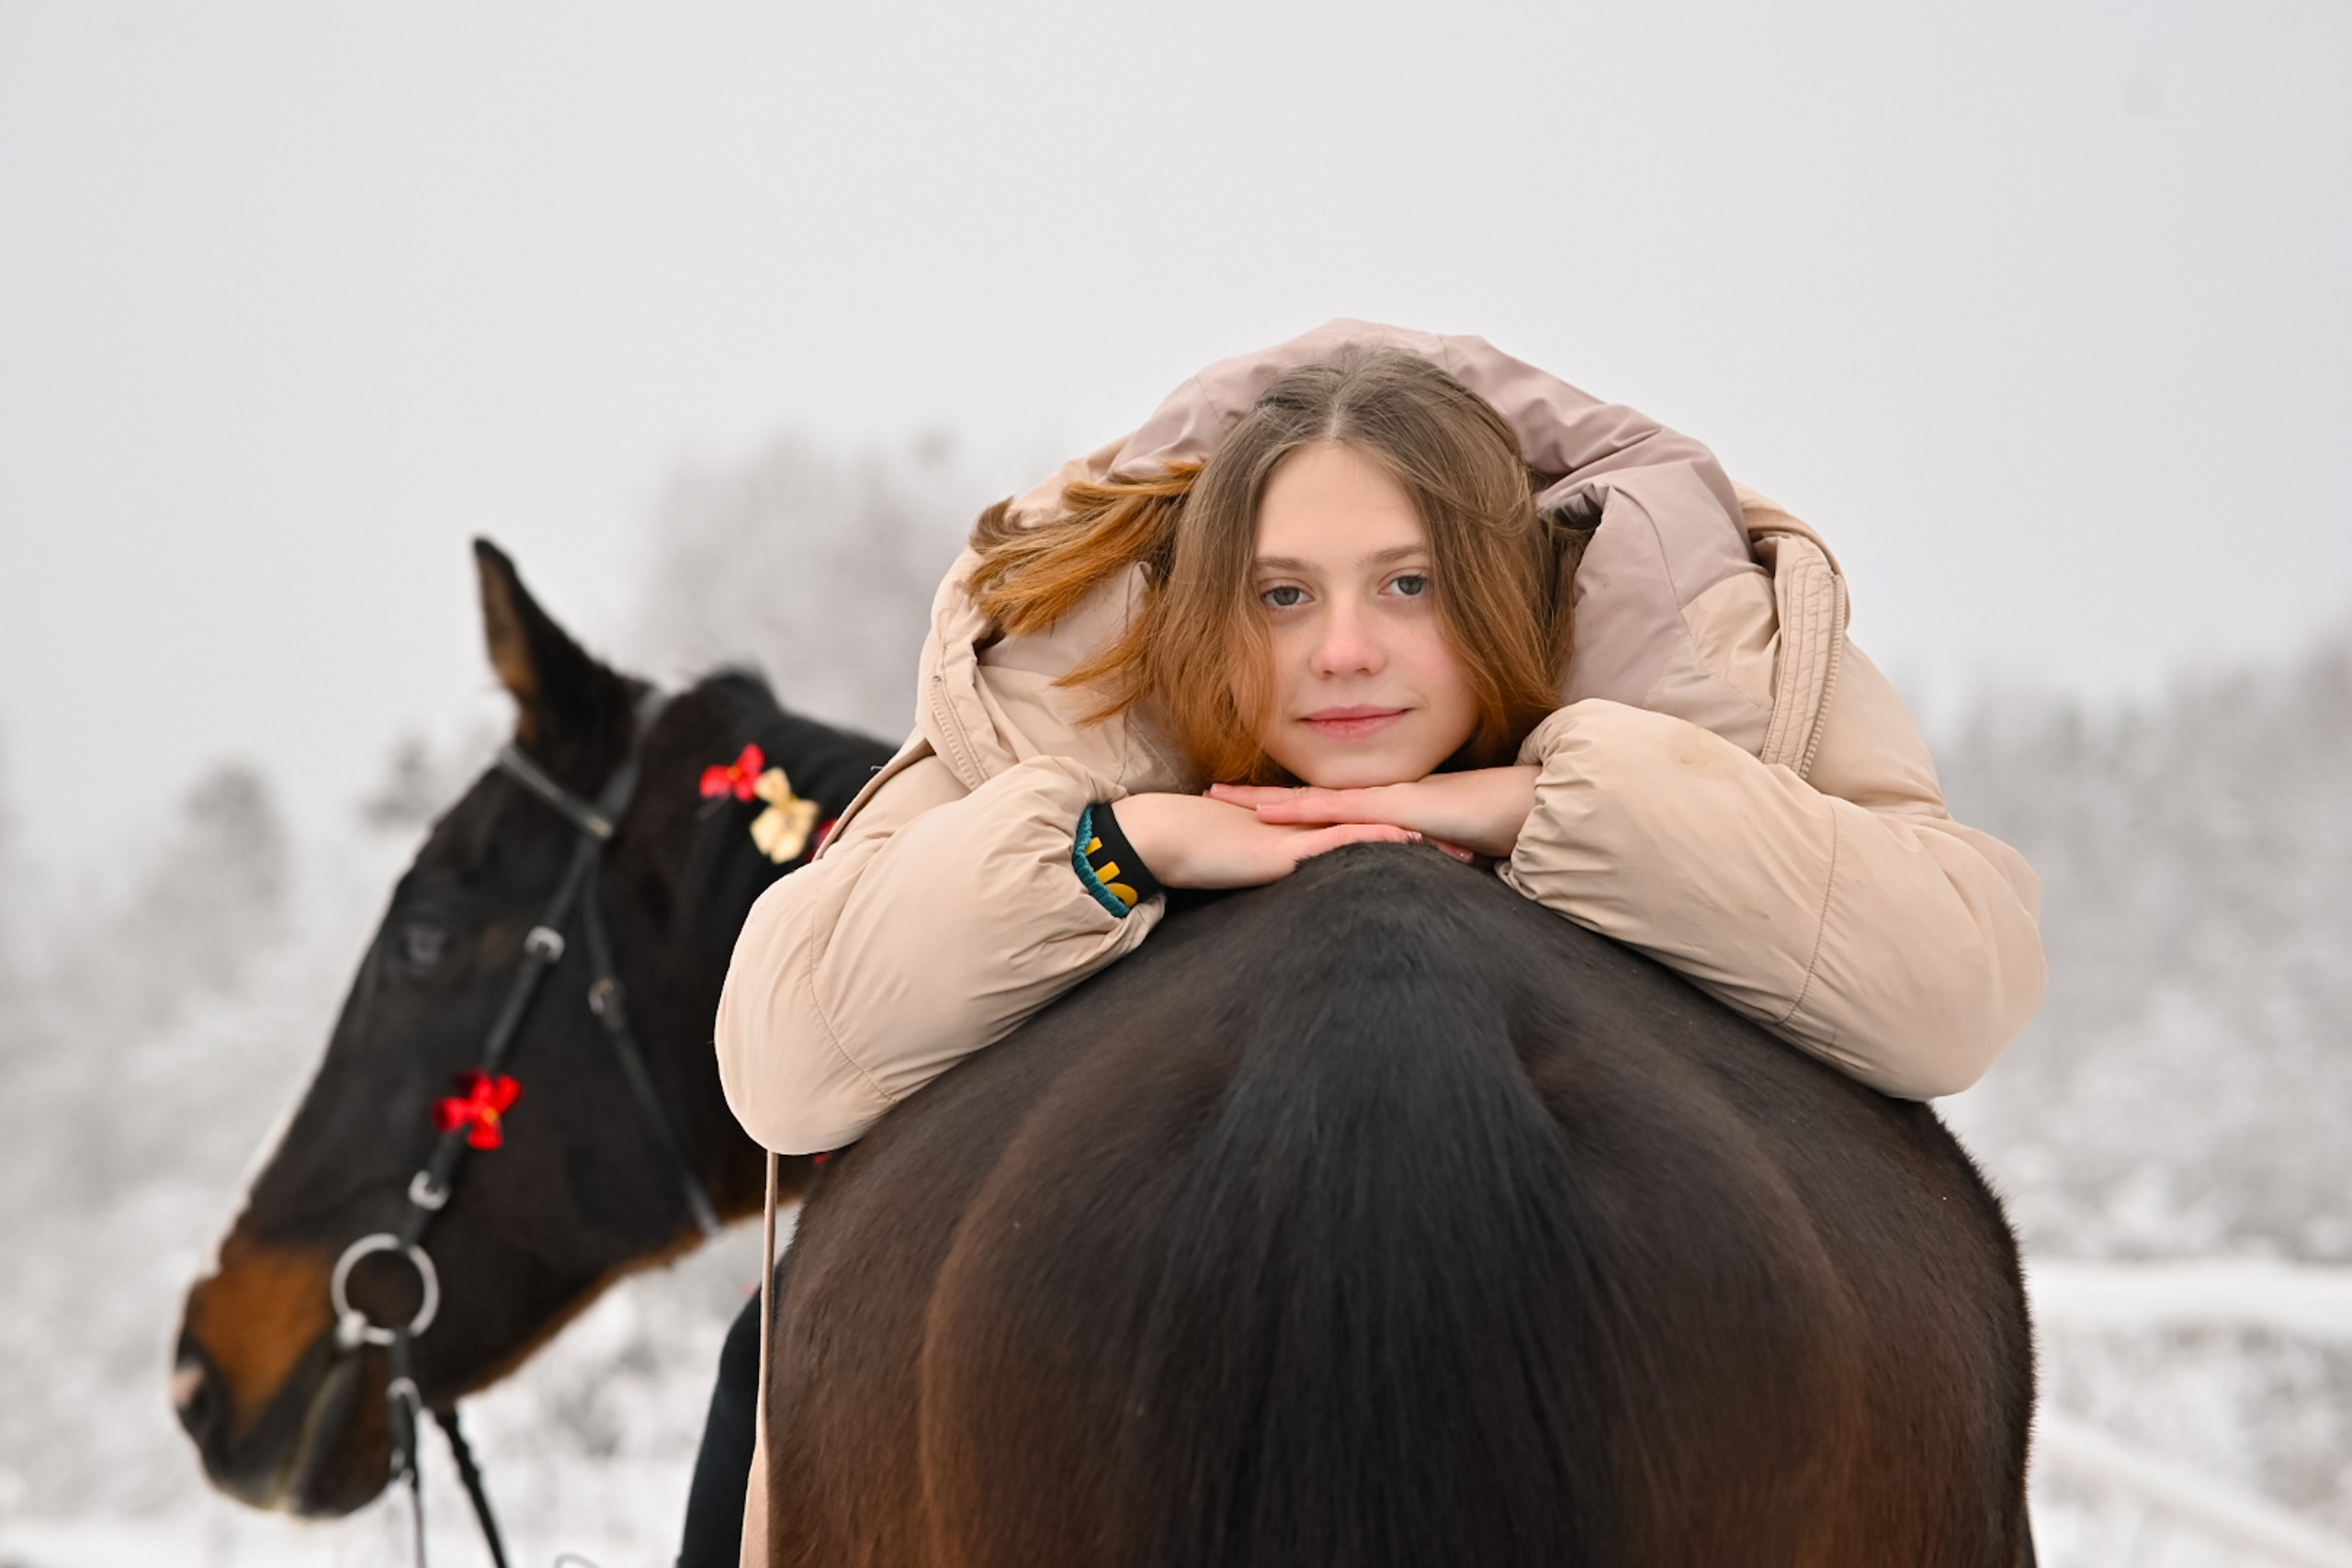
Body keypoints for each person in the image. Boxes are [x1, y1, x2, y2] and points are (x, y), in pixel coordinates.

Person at [688, 321, 2046, 1566]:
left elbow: (1956, 980)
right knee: (780, 1338)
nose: (1342, 651)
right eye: (1282, 598)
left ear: (1513, 593)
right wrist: (1118, 845)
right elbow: (782, 1056)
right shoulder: (1065, 687)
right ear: (1209, 610)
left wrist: (1552, 804)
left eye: (1410, 584)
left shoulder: (1708, 649)